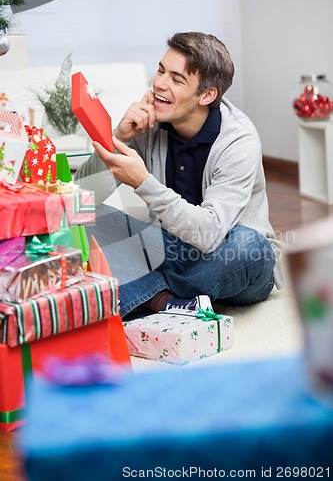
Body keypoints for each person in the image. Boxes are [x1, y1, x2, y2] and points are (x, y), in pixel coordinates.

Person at [75, 31, 283, 318]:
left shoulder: (239, 140)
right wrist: (117, 137)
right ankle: (172, 300)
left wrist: (142, 183)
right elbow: (84, 195)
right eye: (161, 70)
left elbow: (210, 235)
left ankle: (150, 295)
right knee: (85, 216)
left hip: (229, 259)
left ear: (207, 95)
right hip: (171, 251)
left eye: (176, 78)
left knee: (249, 246)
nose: (159, 83)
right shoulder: (148, 124)